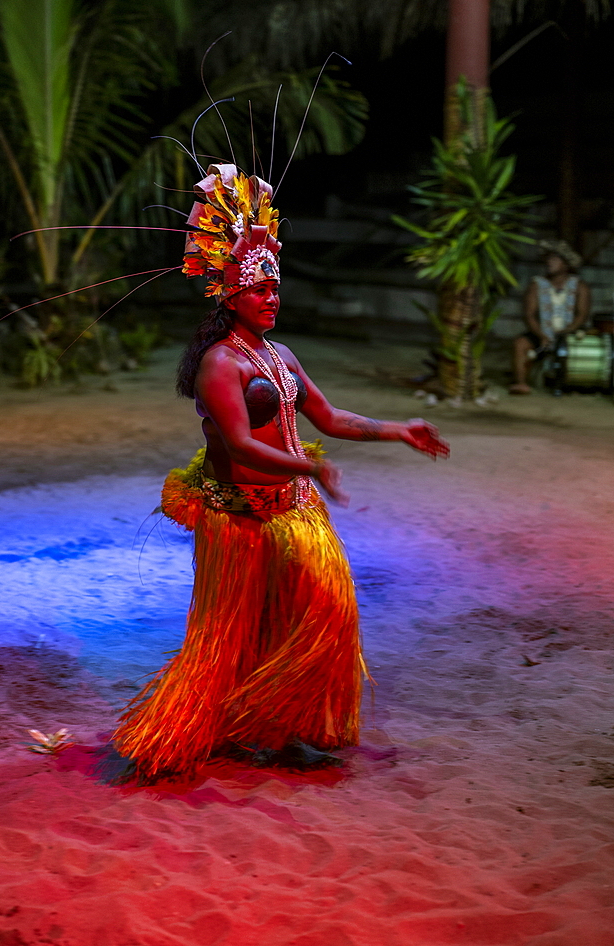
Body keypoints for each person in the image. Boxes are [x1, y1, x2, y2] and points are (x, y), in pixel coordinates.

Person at [113, 163, 449, 779]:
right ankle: (213, 729)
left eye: (276, 287)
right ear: (230, 293)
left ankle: (284, 724)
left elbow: (326, 416)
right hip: (240, 521)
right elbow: (239, 445)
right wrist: (308, 468)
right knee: (232, 634)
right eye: (261, 289)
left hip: (295, 510)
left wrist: (396, 429)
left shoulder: (280, 354)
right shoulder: (222, 364)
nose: (273, 297)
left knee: (327, 613)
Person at [510, 239, 591, 394]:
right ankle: (520, 383)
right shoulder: (536, 285)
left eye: (555, 259)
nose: (549, 262)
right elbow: (529, 315)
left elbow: (582, 315)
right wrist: (541, 335)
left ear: (566, 265)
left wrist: (567, 332)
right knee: (520, 344)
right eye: (548, 259)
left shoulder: (580, 286)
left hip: (569, 334)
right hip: (541, 333)